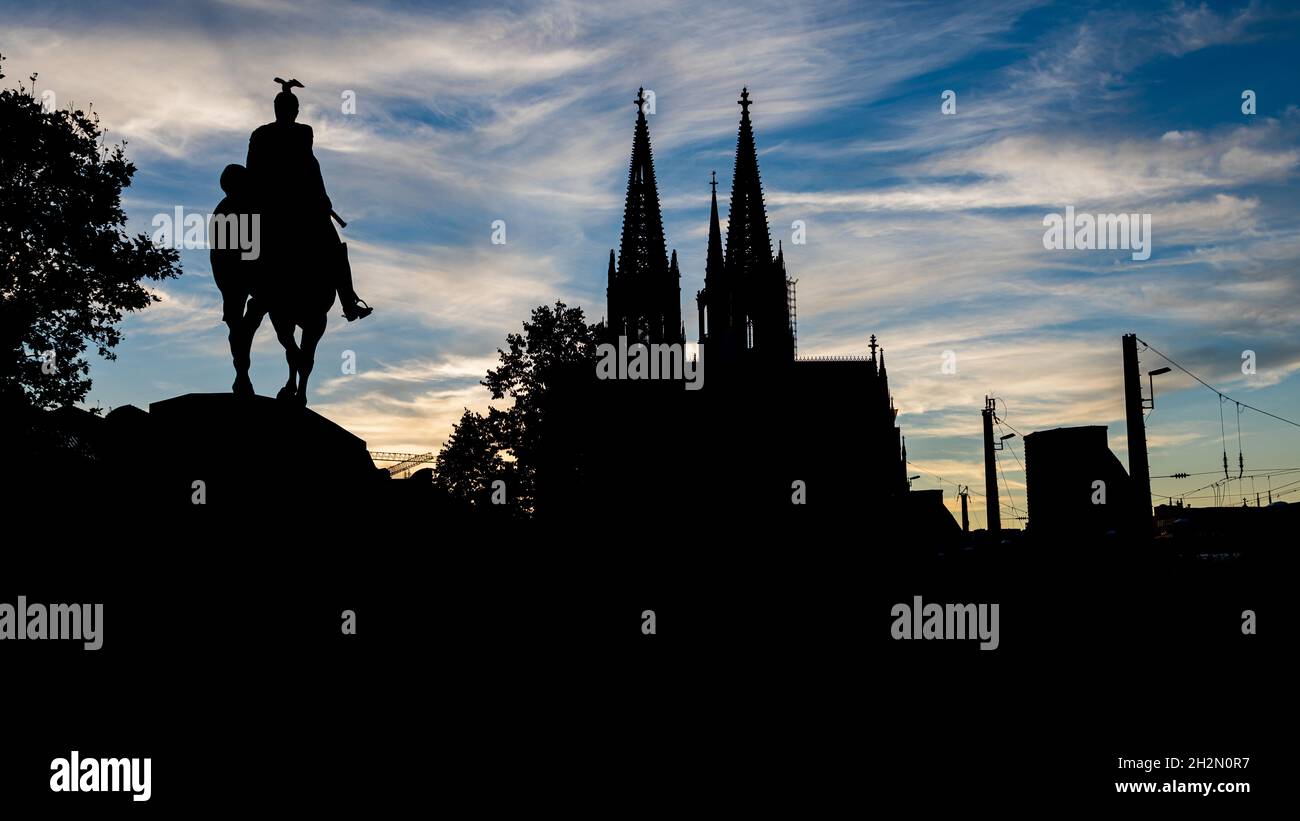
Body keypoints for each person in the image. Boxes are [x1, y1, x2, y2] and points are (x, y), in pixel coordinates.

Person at [246, 78, 372, 321]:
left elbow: (255, 169)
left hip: (269, 203)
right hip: (298, 205)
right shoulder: (303, 132)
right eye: (291, 109)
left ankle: (238, 289)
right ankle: (349, 301)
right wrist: (321, 198)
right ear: (293, 110)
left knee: (242, 235)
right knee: (334, 249)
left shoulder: (261, 134)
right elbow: (309, 167)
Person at [210, 162, 265, 396]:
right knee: (236, 325)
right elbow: (223, 254)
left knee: (246, 319)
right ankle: (242, 373)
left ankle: (242, 373)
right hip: (231, 275)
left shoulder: (254, 205)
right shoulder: (224, 212)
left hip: (248, 272)